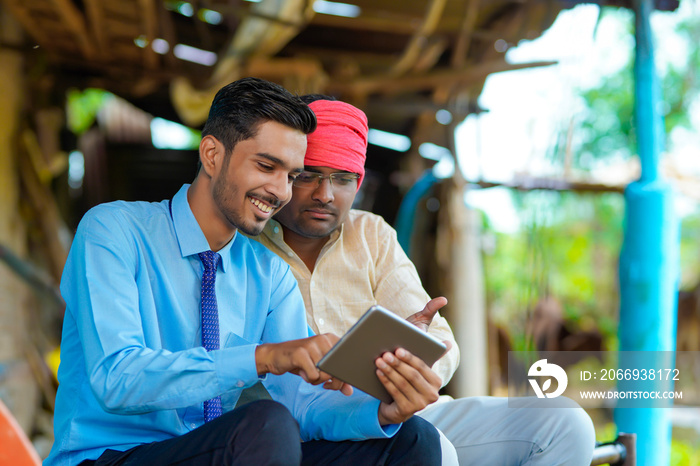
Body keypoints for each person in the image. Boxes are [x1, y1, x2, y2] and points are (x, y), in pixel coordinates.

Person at [45, 78, 445, 466]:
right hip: (112, 456)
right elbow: (117, 378)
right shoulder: (114, 230)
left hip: (221, 451)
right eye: (267, 166)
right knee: (265, 427)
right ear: (212, 155)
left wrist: (381, 412)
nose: (280, 191)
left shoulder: (268, 275)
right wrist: (263, 357)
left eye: (290, 175)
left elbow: (302, 403)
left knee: (411, 440)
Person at [253, 95, 597, 465]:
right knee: (431, 447)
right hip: (305, 434)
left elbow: (440, 340)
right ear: (284, 175)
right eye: (309, 175)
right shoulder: (243, 247)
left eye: (343, 178)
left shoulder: (372, 234)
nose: (325, 194)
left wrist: (411, 366)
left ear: (359, 181)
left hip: (403, 410)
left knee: (565, 423)